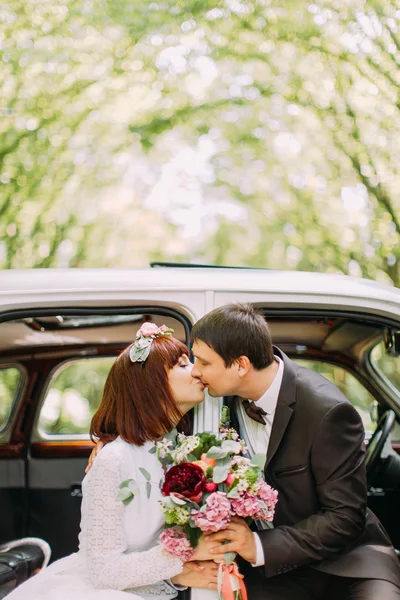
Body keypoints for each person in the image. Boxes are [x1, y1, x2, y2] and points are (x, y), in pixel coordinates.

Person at [189, 303, 400, 600]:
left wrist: (258, 546)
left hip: (346, 563)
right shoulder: (217, 403)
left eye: (204, 362)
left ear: (240, 365)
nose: (195, 372)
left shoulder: (327, 410)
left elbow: (345, 517)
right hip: (272, 572)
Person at [6, 324, 218, 600]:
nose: (196, 371)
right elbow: (105, 572)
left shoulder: (182, 451)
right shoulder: (113, 460)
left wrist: (176, 572)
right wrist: (184, 557)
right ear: (151, 384)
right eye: (182, 363)